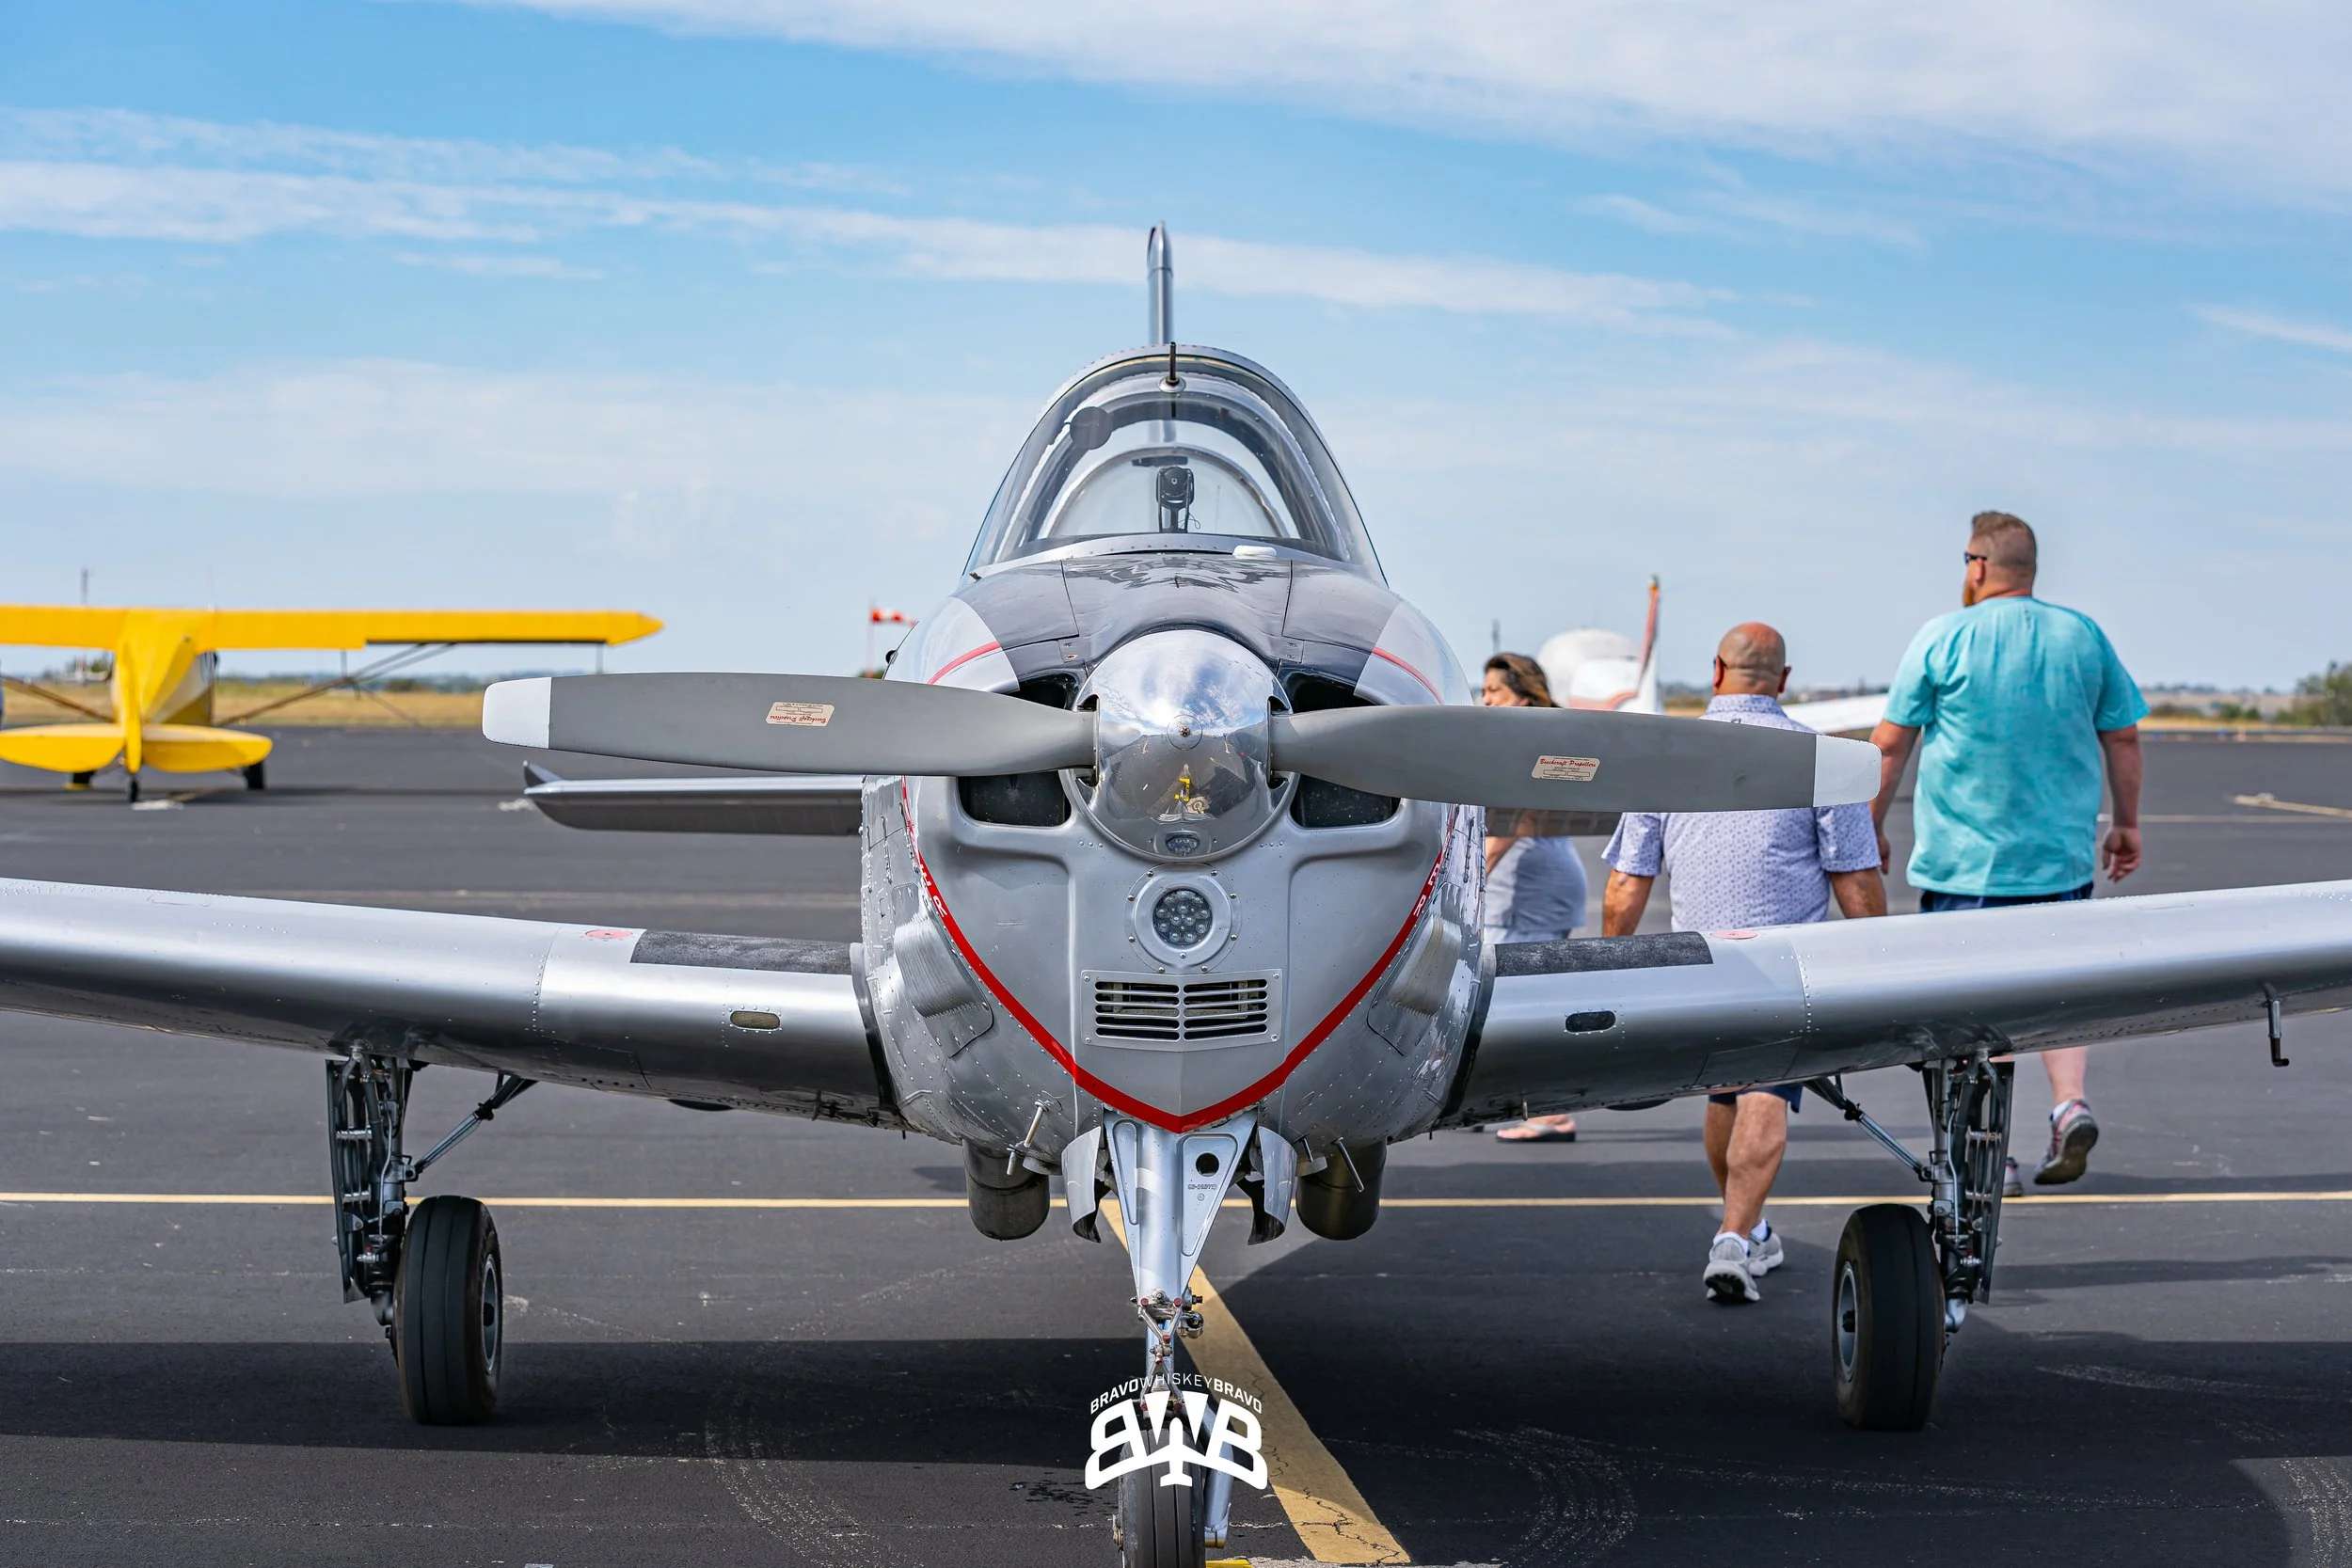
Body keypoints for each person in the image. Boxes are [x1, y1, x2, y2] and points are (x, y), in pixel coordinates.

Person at [1602, 623, 1887, 1303]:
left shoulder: (1666, 755)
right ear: (1783, 681)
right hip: (1787, 965)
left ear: (1716, 671)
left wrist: (1615, 959)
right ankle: (1732, 1238)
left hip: (1699, 963)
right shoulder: (1824, 758)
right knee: (1765, 1090)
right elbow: (1855, 881)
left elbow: (1626, 882)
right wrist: (1881, 957)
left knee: (1727, 1091)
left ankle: (1749, 1229)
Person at [1870, 511, 2146, 1195]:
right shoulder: (2082, 635)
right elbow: (2124, 737)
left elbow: (1891, 744)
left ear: (1978, 566)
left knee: (1964, 1018)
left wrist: (1867, 824)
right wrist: (2128, 824)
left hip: (1963, 867)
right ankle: (2068, 1103)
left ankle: (1970, 1160)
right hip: (2058, 862)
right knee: (2060, 993)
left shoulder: (1942, 637)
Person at [1480, 652, 1591, 1145]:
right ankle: (1510, 1102)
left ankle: (1551, 1112)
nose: (1484, 700)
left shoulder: (1528, 748)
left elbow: (1510, 826)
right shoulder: (1535, 744)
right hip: (1533, 885)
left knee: (1530, 1004)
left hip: (1529, 892)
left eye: (1494, 692)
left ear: (1522, 697)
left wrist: (1470, 878)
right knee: (1515, 1001)